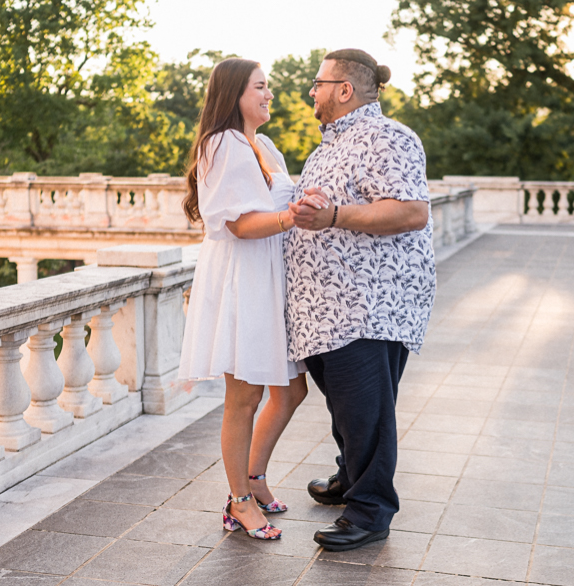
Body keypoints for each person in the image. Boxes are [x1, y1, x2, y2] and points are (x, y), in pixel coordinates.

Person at [285, 49, 436, 551]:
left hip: (368, 304)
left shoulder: (387, 137)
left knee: (365, 409)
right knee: (348, 405)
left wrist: (331, 218)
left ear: (343, 89)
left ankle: (370, 509)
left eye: (318, 82)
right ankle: (350, 477)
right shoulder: (328, 146)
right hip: (328, 307)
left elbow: (410, 211)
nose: (311, 91)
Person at [178, 58, 324, 541]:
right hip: (242, 279)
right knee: (244, 397)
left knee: (292, 391)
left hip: (270, 275)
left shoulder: (264, 146)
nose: (269, 94)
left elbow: (281, 202)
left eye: (269, 87)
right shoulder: (221, 145)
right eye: (261, 87)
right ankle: (238, 502)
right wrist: (292, 216)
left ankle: (255, 477)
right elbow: (240, 224)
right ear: (234, 94)